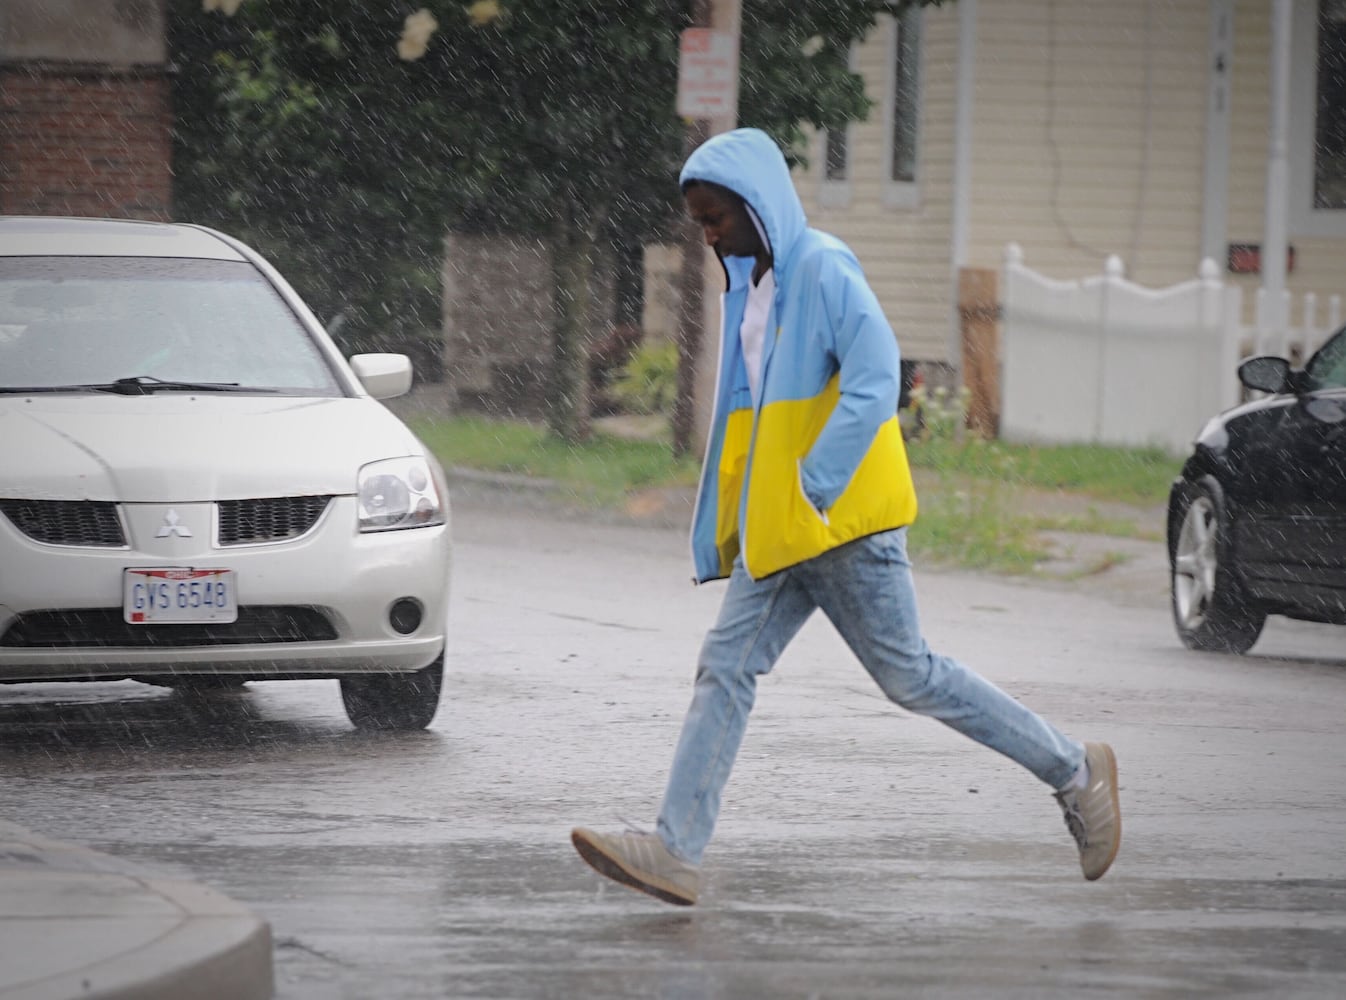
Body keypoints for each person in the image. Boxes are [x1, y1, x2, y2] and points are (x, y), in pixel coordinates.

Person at [571, 128, 1120, 907]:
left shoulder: (823, 267)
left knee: (912, 676)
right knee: (725, 667)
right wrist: (743, 513)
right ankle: (674, 850)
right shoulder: (751, 291)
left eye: (717, 215)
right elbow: (751, 419)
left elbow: (874, 377)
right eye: (698, 221)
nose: (708, 233)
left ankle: (1077, 769)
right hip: (784, 529)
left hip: (843, 523)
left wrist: (816, 483)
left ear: (758, 204)